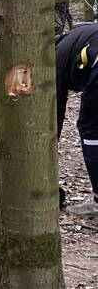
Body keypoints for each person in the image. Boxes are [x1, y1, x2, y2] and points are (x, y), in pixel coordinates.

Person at [56, 21, 98, 216]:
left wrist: (50, 142)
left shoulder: (55, 58)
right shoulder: (75, 39)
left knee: (90, 129)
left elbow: (55, 107)